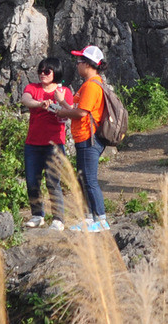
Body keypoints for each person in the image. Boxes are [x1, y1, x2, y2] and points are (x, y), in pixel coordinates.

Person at [50, 46, 110, 233]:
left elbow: (81, 112)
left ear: (90, 64)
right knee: (84, 179)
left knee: (90, 180)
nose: (77, 65)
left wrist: (61, 110)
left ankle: (101, 221)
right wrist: (61, 102)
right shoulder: (88, 84)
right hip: (84, 138)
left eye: (79, 61)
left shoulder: (92, 85)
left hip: (89, 138)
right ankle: (90, 219)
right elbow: (76, 110)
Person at [21, 57, 74, 230]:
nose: (42, 74)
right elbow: (25, 99)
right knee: (32, 180)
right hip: (33, 143)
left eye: (47, 71)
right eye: (40, 70)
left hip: (54, 143)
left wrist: (59, 101)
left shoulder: (64, 91)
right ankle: (37, 215)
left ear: (55, 72)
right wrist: (40, 104)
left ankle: (58, 218)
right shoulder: (33, 88)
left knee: (53, 181)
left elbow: (69, 113)